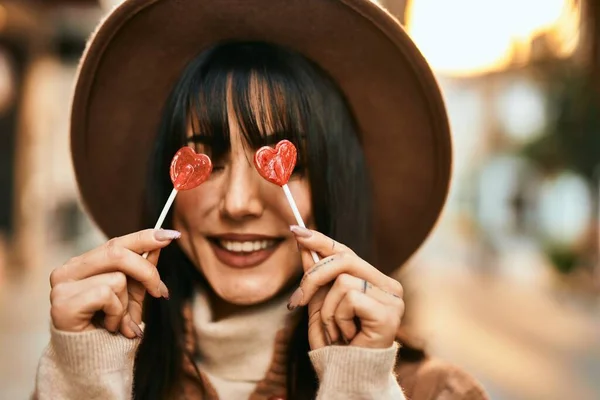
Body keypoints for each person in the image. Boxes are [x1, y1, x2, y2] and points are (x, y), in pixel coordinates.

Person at [33, 0, 489, 399]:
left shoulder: (436, 395)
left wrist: (358, 385)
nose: (238, 203)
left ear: (336, 181)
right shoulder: (79, 375)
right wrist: (84, 380)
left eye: (290, 164)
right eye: (206, 158)